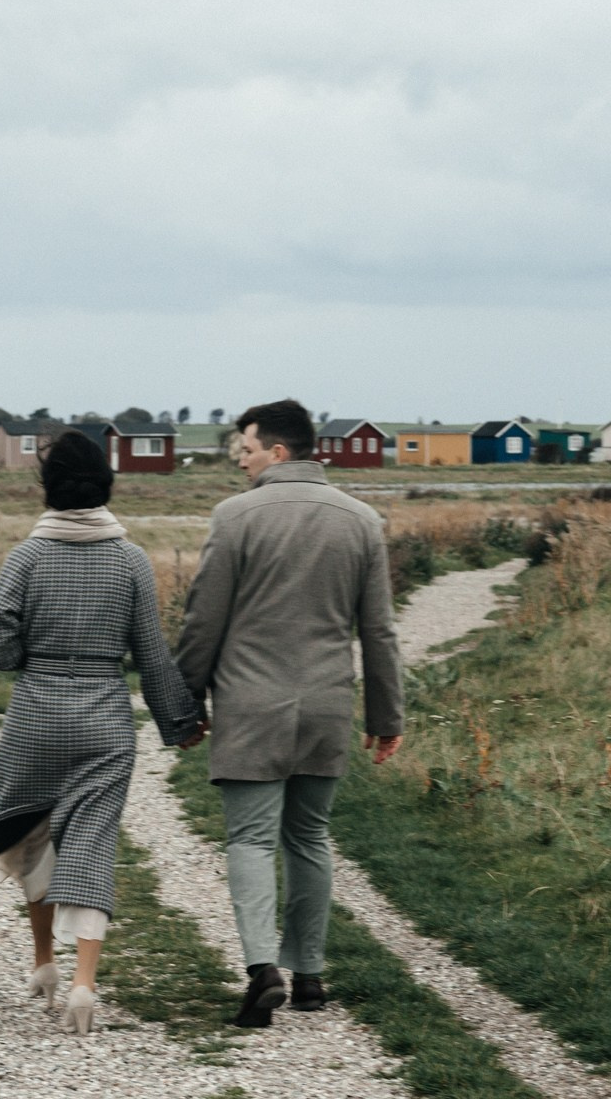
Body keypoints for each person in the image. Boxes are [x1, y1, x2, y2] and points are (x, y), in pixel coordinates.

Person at [0, 428, 203, 1033]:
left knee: (32, 836)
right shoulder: (131, 559)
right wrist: (180, 721)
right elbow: (151, 653)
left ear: (48, 488)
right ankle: (85, 986)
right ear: (106, 483)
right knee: (89, 844)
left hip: (35, 718)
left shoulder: (26, 557)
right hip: (105, 723)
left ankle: (44, 964)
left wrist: (28, 657)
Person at [173, 397, 403, 1028]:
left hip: (251, 705)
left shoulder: (235, 517)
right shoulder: (361, 521)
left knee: (250, 838)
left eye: (244, 451)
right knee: (309, 838)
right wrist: (387, 718)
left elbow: (203, 621)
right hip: (327, 704)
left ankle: (260, 970)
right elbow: (379, 631)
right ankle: (309, 976)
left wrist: (183, 703)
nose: (240, 463)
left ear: (277, 452)